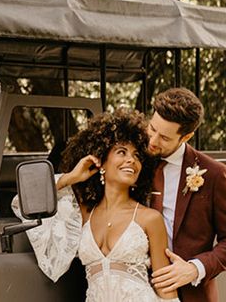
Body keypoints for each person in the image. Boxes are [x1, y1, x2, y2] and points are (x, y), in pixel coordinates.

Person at [13, 109, 178, 301]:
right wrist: (72, 177)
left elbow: (166, 288)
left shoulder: (149, 218)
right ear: (102, 161)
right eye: (121, 152)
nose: (131, 160)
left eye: (137, 156)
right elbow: (22, 201)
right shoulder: (84, 214)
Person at [146, 88, 226, 301]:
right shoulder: (134, 159)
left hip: (192, 294)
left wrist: (194, 269)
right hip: (137, 289)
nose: (153, 140)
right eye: (152, 128)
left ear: (186, 136)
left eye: (164, 137)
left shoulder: (214, 174)